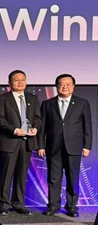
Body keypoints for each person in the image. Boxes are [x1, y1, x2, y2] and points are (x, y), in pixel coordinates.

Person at [38, 74, 92, 218]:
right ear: (57, 86)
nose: (65, 86)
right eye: (62, 84)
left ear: (73, 86)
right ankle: (53, 205)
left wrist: (87, 145)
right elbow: (42, 127)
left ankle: (72, 206)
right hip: (53, 147)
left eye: (68, 84)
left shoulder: (82, 103)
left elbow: (87, 126)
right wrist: (41, 146)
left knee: (72, 178)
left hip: (74, 147)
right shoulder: (47, 104)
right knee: (53, 178)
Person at [0, 70, 41, 216]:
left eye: (23, 79)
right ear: (9, 83)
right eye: (16, 80)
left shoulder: (32, 98)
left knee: (22, 175)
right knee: (7, 174)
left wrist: (35, 128)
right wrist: (14, 130)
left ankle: (19, 203)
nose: (20, 82)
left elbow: (38, 118)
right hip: (10, 140)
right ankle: (3, 204)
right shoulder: (3, 99)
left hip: (27, 142)